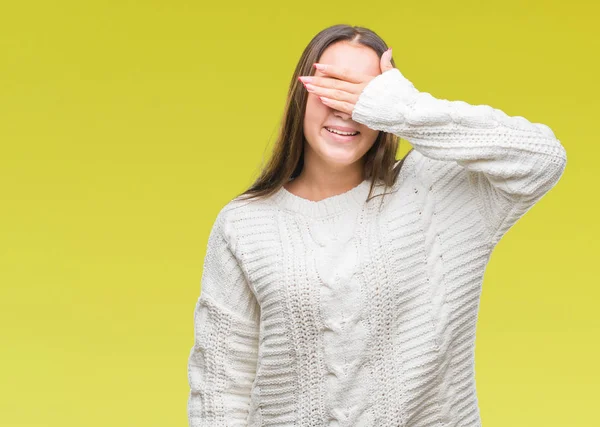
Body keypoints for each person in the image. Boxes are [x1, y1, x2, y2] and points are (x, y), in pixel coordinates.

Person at [187, 24, 567, 427]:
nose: (345, 107)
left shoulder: (434, 192)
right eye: (332, 85)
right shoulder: (245, 224)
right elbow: (220, 387)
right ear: (300, 96)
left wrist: (405, 107)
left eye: (362, 92)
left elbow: (543, 158)